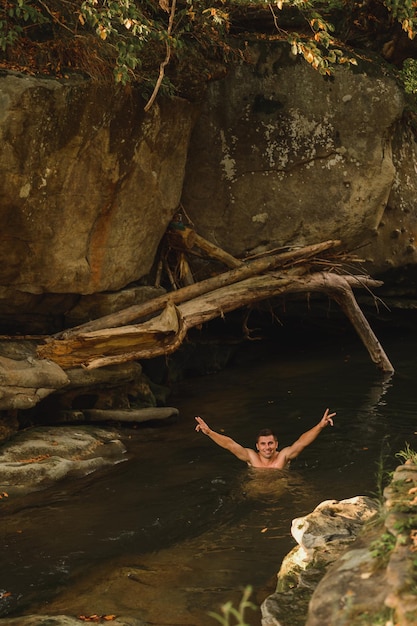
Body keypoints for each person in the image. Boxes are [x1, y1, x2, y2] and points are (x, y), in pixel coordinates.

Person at [194, 408, 335, 469]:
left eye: (270, 443)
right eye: (263, 444)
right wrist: (209, 432)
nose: (267, 447)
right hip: (255, 493)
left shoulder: (284, 456)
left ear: (276, 444)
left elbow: (302, 443)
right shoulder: (251, 456)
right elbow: (230, 445)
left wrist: (320, 426)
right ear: (257, 446)